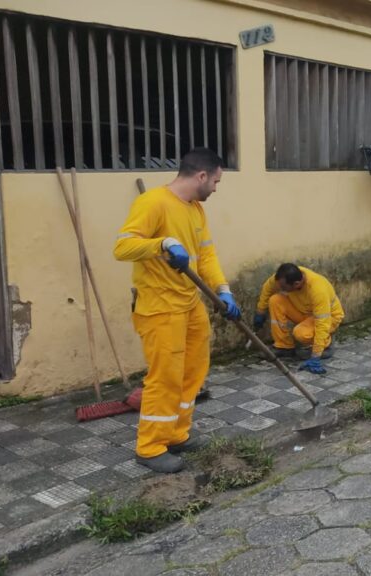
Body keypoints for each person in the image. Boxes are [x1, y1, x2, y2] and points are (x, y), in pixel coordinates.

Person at [114, 148, 240, 474]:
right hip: (160, 307)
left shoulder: (196, 210)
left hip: (189, 303)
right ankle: (150, 446)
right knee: (165, 377)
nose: (216, 188)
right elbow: (122, 247)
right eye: (216, 181)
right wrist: (162, 244)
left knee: (194, 371)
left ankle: (176, 434)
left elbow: (206, 256)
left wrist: (223, 290)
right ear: (201, 176)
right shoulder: (153, 202)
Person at [253, 264, 345, 375]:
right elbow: (268, 287)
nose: (280, 288)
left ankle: (326, 346)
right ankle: (284, 347)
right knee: (275, 300)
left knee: (301, 333)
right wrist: (260, 311)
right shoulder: (283, 277)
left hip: (329, 318)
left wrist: (315, 356)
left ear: (296, 284)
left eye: (284, 287)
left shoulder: (317, 289)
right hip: (304, 311)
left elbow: (322, 324)